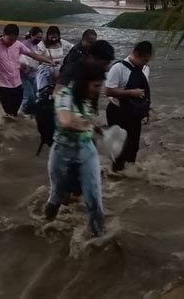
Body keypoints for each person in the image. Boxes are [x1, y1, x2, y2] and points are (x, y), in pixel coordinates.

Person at [45, 63, 107, 237]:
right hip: (62, 152)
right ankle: (45, 227)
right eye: (96, 85)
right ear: (84, 82)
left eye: (100, 85)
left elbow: (89, 122)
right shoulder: (64, 95)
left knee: (94, 199)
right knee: (57, 197)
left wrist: (100, 129)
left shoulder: (87, 97)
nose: (98, 90)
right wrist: (85, 125)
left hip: (86, 151)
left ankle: (100, 239)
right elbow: (65, 120)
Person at [34, 40, 115, 156]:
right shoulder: (74, 69)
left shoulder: (92, 73)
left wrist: (92, 123)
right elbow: (58, 93)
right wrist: (80, 122)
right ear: (92, 58)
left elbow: (84, 103)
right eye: (104, 63)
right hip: (54, 116)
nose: (107, 68)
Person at [0, 24, 53, 117]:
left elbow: (33, 55)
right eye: (10, 39)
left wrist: (50, 61)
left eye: (14, 39)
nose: (12, 42)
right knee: (9, 113)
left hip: (17, 84)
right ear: (3, 35)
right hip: (2, 85)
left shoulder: (18, 44)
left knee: (14, 113)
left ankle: (14, 127)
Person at [105, 41, 152, 172]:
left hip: (134, 114)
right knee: (119, 148)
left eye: (147, 60)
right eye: (144, 60)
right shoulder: (118, 68)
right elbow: (108, 91)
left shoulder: (144, 69)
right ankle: (115, 176)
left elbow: (145, 92)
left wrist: (146, 110)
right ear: (135, 54)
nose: (145, 63)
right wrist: (131, 92)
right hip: (117, 111)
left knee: (133, 147)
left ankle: (128, 179)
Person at [36, 26, 73, 92]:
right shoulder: (42, 44)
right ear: (48, 36)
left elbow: (72, 48)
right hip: (46, 70)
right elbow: (36, 55)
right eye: (52, 37)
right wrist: (48, 62)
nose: (54, 39)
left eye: (55, 37)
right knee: (44, 89)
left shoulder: (61, 42)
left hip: (59, 69)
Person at [20, 27, 43, 115]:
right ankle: (21, 114)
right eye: (37, 37)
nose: (39, 39)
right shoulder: (25, 44)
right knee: (28, 96)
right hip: (23, 74)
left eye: (40, 38)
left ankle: (29, 114)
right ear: (31, 36)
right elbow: (22, 58)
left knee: (34, 96)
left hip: (33, 74)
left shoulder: (36, 46)